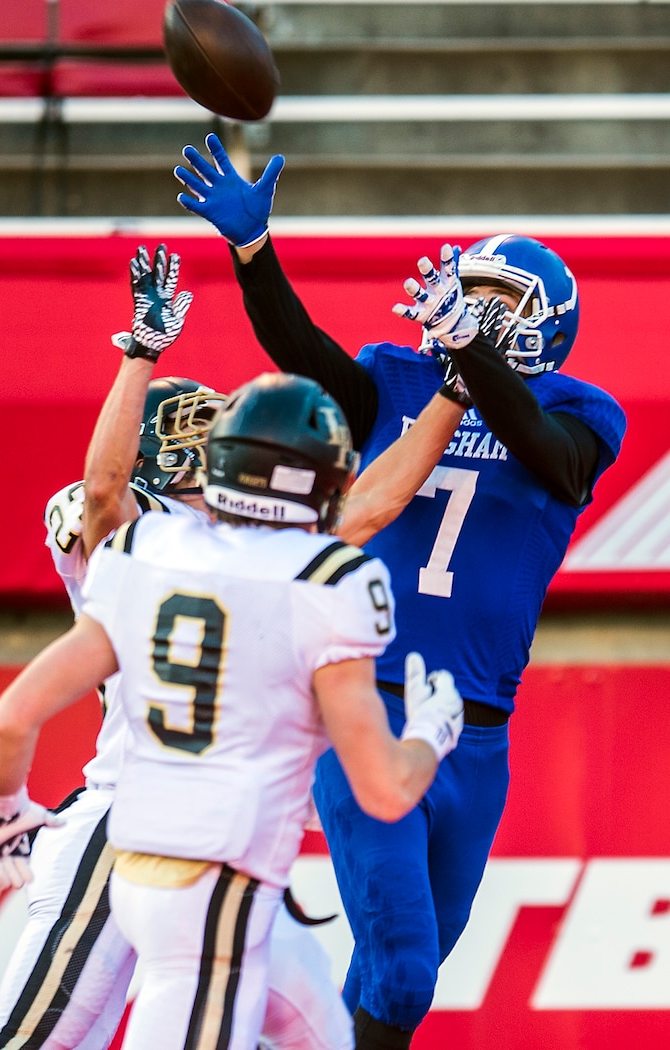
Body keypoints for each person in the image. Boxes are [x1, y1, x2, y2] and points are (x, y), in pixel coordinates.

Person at [173, 135, 628, 1050]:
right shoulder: (397, 379)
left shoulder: (581, 413)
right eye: (471, 295)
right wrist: (254, 256)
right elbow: (301, 351)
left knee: (392, 983)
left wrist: (475, 361)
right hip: (365, 708)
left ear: (546, 323)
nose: (474, 312)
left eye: (499, 304)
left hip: (477, 736)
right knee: (406, 967)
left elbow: (547, 456)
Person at [0, 243, 467, 1050]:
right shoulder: (152, 536)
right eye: (197, 435)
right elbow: (100, 498)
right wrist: (139, 356)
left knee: (320, 1035)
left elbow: (376, 502)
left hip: (221, 855)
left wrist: (455, 386)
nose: (217, 452)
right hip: (142, 825)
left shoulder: (258, 551)